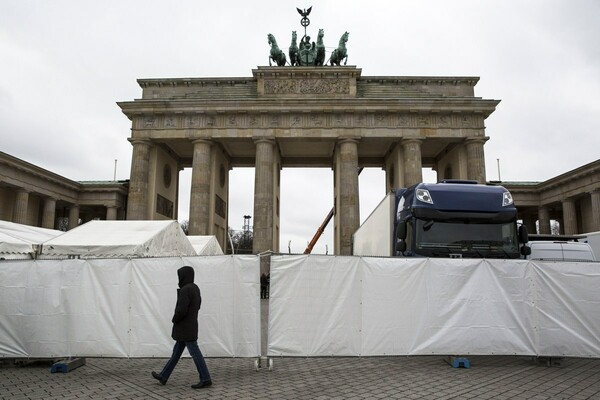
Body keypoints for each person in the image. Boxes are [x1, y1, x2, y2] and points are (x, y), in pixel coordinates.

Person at [152, 266, 212, 389]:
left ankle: (206, 378)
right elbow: (198, 305)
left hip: (185, 327)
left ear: (184, 276)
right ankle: (163, 376)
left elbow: (181, 311)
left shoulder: (185, 290)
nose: (178, 278)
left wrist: (174, 319)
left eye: (180, 276)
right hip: (190, 325)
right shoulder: (195, 288)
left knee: (195, 353)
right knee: (176, 354)